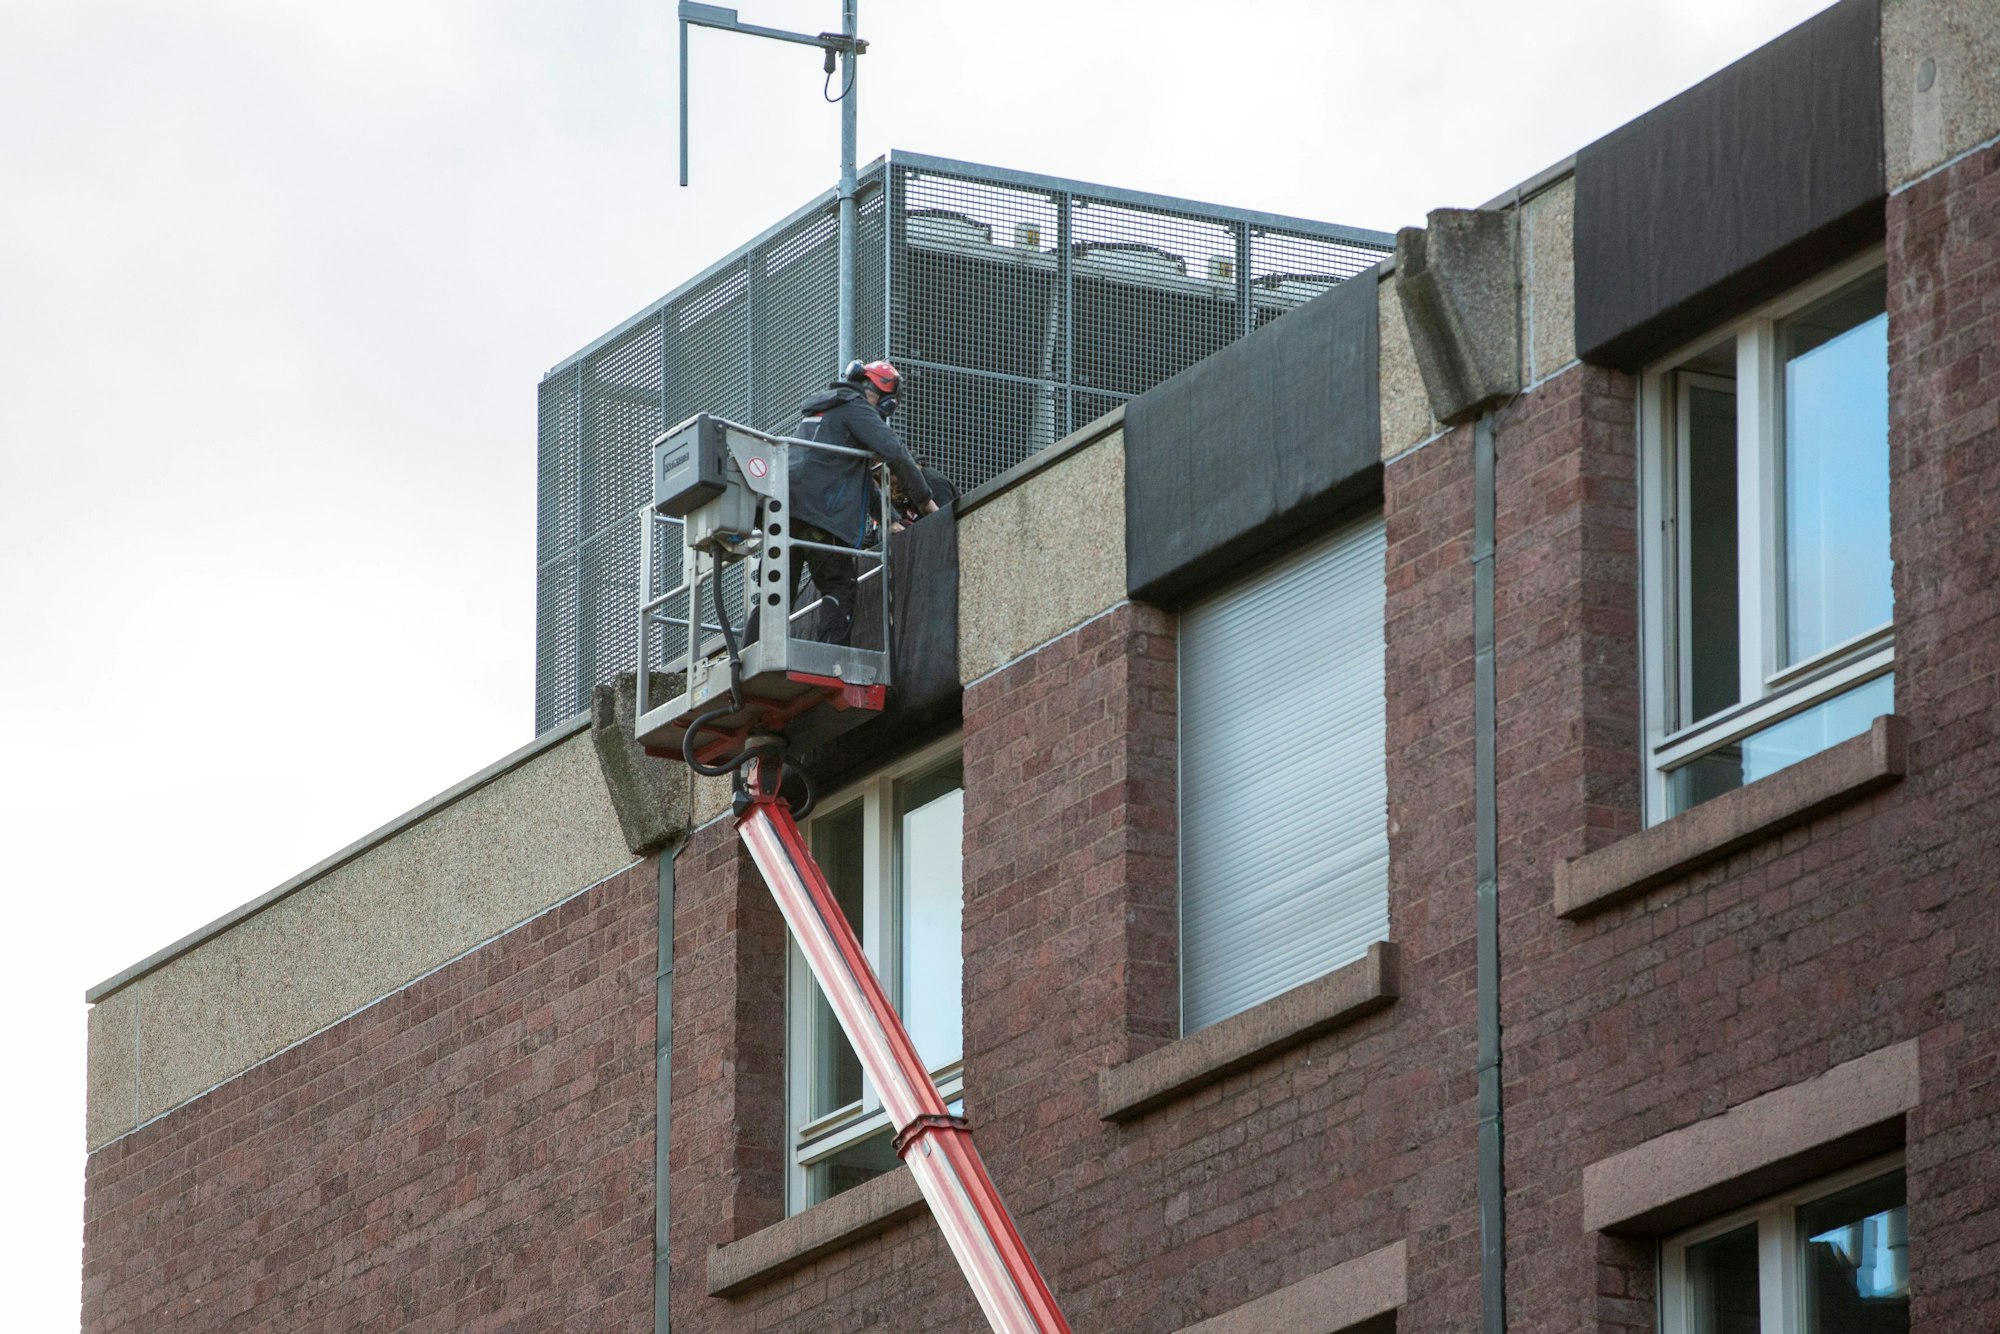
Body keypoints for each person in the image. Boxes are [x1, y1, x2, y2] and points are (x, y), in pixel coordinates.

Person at [768, 359, 936, 646]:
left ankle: (746, 658)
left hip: (785, 509)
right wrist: (926, 502)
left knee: (776, 593)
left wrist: (890, 519)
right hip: (821, 512)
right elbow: (895, 452)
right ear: (885, 397)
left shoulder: (826, 411)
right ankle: (830, 659)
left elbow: (855, 477)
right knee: (839, 585)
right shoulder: (855, 407)